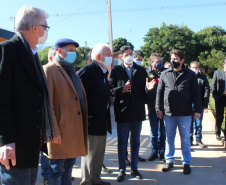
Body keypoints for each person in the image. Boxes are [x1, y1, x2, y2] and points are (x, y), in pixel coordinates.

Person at [0, 6, 53, 185]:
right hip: (14, 144)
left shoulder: (33, 54)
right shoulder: (7, 50)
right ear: (34, 27)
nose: (46, 31)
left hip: (30, 143)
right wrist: (5, 140)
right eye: (45, 27)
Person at [43, 38, 88, 185]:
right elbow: (47, 103)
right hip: (60, 132)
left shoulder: (71, 70)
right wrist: (54, 130)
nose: (73, 54)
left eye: (74, 51)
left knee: (68, 168)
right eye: (70, 51)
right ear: (60, 51)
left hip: (73, 130)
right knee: (56, 170)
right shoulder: (50, 69)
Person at [109, 45, 156, 182]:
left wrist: (149, 90)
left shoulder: (141, 70)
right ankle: (122, 169)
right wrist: (121, 90)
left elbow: (145, 92)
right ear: (121, 57)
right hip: (122, 111)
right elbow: (110, 89)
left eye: (131, 53)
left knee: (135, 141)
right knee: (122, 142)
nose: (129, 56)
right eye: (126, 54)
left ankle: (134, 168)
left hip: (137, 112)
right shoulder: (116, 71)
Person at [156, 49, 202, 175]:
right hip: (168, 113)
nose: (173, 60)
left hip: (185, 113)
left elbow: (196, 94)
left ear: (182, 60)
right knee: (169, 138)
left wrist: (198, 110)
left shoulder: (190, 74)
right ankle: (169, 160)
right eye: (172, 58)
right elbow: (159, 92)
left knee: (185, 139)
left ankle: (186, 162)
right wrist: (158, 108)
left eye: (176, 58)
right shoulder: (165, 74)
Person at [78, 43, 112, 185]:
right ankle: (86, 181)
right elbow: (76, 93)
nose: (111, 58)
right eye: (108, 55)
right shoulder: (87, 71)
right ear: (98, 57)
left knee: (98, 153)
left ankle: (96, 179)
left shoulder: (103, 72)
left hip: (101, 119)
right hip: (91, 121)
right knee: (90, 154)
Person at [41, 47, 56, 185]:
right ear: (51, 58)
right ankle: (46, 175)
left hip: (55, 118)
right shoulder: (46, 70)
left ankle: (50, 175)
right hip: (46, 118)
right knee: (46, 151)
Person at [147, 53, 166, 161]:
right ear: (151, 62)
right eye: (156, 61)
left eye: (160, 60)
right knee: (153, 132)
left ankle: (162, 152)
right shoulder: (147, 74)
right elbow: (144, 90)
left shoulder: (165, 72)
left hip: (164, 108)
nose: (159, 63)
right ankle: (154, 151)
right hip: (152, 107)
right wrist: (147, 89)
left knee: (163, 132)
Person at [190, 61, 210, 148]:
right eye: (193, 67)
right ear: (190, 68)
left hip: (199, 104)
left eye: (196, 67)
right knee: (189, 123)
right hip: (189, 104)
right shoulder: (188, 77)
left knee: (198, 123)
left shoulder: (203, 78)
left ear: (199, 68)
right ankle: (189, 140)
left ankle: (198, 139)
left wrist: (205, 104)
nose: (195, 69)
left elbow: (207, 91)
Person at [212, 57, 226, 141]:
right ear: (223, 64)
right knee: (219, 116)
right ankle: (217, 133)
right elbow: (213, 85)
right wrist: (215, 97)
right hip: (220, 97)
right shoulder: (217, 73)